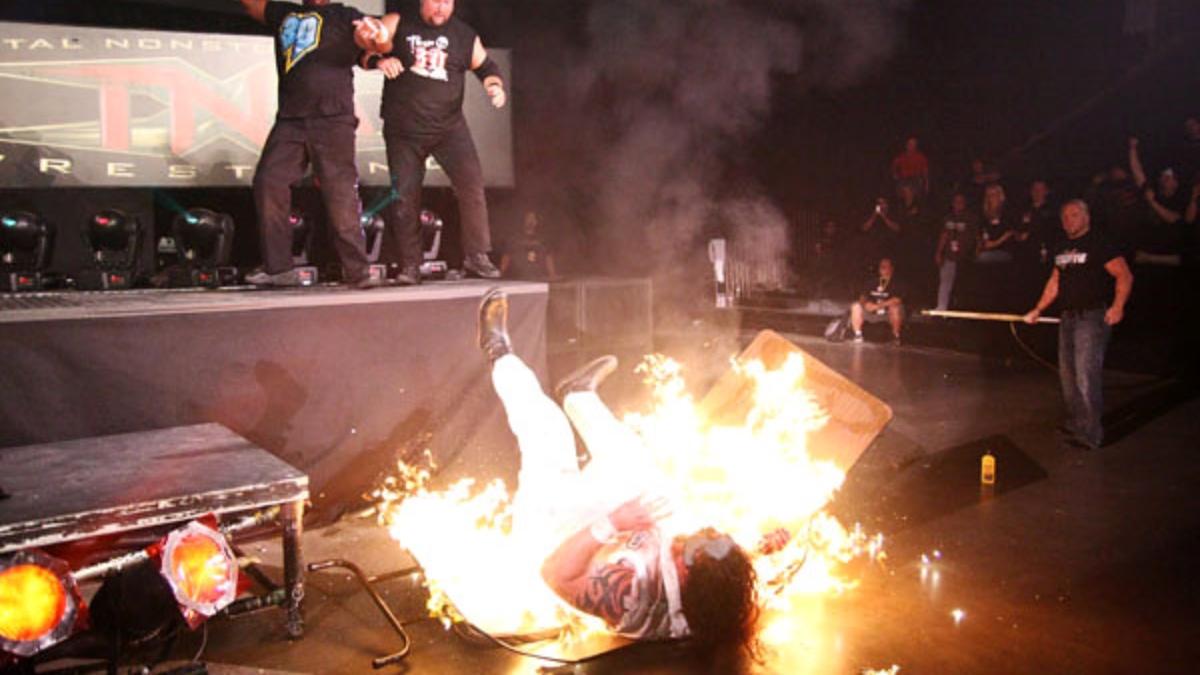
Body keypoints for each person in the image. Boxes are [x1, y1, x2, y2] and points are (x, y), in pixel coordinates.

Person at [476, 288, 763, 663]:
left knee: (549, 433)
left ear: (687, 576)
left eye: (696, 548)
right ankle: (579, 396)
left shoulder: (630, 595)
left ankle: (498, 351)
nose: (694, 538)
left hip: (554, 542)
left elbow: (555, 573)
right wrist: (761, 544)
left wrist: (612, 522)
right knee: (642, 469)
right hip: (610, 536)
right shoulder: (712, 596)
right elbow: (726, 570)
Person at [238, 0, 391, 289]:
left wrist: (378, 37)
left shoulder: (346, 16)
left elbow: (373, 45)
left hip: (332, 118)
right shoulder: (283, 12)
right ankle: (278, 268)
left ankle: (357, 271)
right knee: (268, 181)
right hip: (291, 119)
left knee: (340, 192)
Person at [366, 0, 506, 284]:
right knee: (405, 196)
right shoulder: (398, 22)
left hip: (449, 128)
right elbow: (365, 51)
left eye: (447, 2)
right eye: (435, 1)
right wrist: (380, 59)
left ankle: (476, 255)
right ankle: (410, 265)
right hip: (404, 131)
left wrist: (495, 86)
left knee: (472, 185)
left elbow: (487, 66)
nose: (441, 7)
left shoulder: (464, 35)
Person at [1023, 200, 1133, 450]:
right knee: (1068, 375)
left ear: (1086, 217)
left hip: (1092, 318)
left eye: (1074, 215)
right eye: (1065, 216)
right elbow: (1055, 281)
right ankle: (1077, 423)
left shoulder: (1099, 243)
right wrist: (1039, 309)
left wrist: (1118, 307)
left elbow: (1124, 274)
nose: (1068, 220)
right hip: (1068, 317)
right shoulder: (1062, 246)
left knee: (1086, 375)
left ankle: (1091, 433)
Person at [934, 193, 976, 311]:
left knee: (962, 285)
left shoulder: (970, 218)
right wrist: (939, 252)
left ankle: (962, 308)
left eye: (961, 201)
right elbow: (943, 235)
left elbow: (975, 237)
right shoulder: (948, 218)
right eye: (956, 201)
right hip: (949, 256)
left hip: (965, 257)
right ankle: (941, 307)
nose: (958, 204)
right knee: (945, 281)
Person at [849, 257, 905, 345]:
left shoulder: (898, 283)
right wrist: (866, 304)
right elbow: (863, 297)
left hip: (887, 313)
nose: (882, 268)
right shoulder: (872, 282)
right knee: (856, 306)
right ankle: (858, 335)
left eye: (885, 266)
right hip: (872, 312)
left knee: (895, 308)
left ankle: (895, 337)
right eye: (881, 266)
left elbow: (897, 300)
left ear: (891, 268)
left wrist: (878, 306)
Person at [499, 210, 558, 280]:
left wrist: (552, 274)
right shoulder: (514, 239)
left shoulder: (542, 240)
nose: (531, 221)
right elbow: (506, 257)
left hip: (538, 277)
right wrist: (501, 274)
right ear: (524, 221)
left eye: (533, 218)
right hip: (517, 277)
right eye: (528, 218)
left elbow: (548, 257)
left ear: (536, 222)